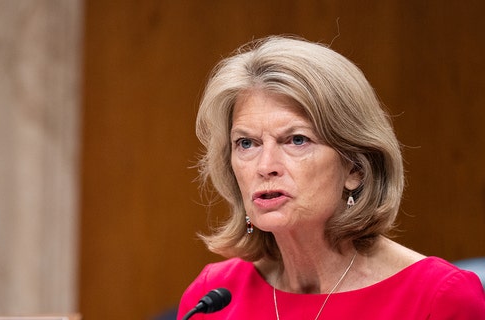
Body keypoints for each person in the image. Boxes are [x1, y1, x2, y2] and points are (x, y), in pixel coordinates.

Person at [177, 35, 485, 319]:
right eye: (247, 143)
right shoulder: (213, 296)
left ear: (355, 168)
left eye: (296, 140)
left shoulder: (438, 298)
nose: (265, 165)